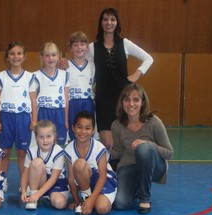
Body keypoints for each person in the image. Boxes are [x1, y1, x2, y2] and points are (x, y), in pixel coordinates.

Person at [60, 8, 153, 149]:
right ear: (101, 23)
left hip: (123, 97)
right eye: (105, 19)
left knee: (123, 141)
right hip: (103, 99)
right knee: (107, 143)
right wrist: (63, 65)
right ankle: (106, 169)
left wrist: (137, 74)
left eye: (112, 19)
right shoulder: (93, 47)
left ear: (117, 23)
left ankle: (121, 169)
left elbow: (148, 58)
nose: (109, 23)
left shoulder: (125, 44)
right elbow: (78, 58)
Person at [110, 83, 173, 214]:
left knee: (143, 148)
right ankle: (136, 187)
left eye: (136, 99)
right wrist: (99, 152)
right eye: (127, 99)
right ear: (122, 102)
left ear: (143, 102)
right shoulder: (116, 125)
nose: (131, 104)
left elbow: (169, 153)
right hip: (128, 165)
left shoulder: (154, 122)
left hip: (154, 166)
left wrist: (148, 144)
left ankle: (145, 198)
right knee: (120, 203)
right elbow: (119, 152)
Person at [0, 42, 37, 188]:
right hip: (6, 117)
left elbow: (33, 100)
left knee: (22, 152)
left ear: (24, 57)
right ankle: (3, 179)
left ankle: (24, 184)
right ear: (7, 57)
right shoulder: (0, 76)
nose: (15, 56)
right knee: (4, 151)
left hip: (23, 117)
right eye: (12, 53)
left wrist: (34, 119)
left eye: (19, 53)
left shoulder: (30, 77)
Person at [64, 111, 117, 215]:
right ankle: (85, 197)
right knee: (79, 164)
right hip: (86, 183)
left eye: (87, 128)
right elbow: (70, 178)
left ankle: (91, 199)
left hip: (104, 181)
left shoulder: (99, 147)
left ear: (93, 131)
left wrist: (92, 200)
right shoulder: (69, 149)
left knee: (102, 209)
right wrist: (76, 200)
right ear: (73, 128)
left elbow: (102, 177)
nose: (83, 131)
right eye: (79, 127)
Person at [20, 120, 69, 210]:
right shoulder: (31, 151)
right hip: (40, 182)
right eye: (41, 137)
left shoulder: (59, 152)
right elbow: (25, 174)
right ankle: (33, 197)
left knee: (59, 204)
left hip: (56, 183)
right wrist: (23, 191)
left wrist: (38, 195)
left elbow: (54, 178)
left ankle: (43, 195)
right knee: (36, 162)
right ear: (36, 137)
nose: (45, 140)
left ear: (54, 136)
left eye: (48, 136)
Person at [34, 42, 70, 145]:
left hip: (59, 112)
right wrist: (34, 119)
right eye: (47, 55)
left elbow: (66, 99)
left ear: (58, 56)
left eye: (53, 55)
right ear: (42, 57)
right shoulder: (35, 76)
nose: (51, 58)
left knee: (59, 142)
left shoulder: (65, 75)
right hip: (43, 111)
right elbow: (32, 99)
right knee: (43, 141)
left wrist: (66, 119)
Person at [66, 32, 96, 141]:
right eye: (75, 45)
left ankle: (86, 156)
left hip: (88, 102)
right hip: (72, 102)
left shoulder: (93, 65)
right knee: (74, 132)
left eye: (82, 44)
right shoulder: (66, 66)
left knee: (87, 131)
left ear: (87, 47)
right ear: (70, 48)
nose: (79, 47)